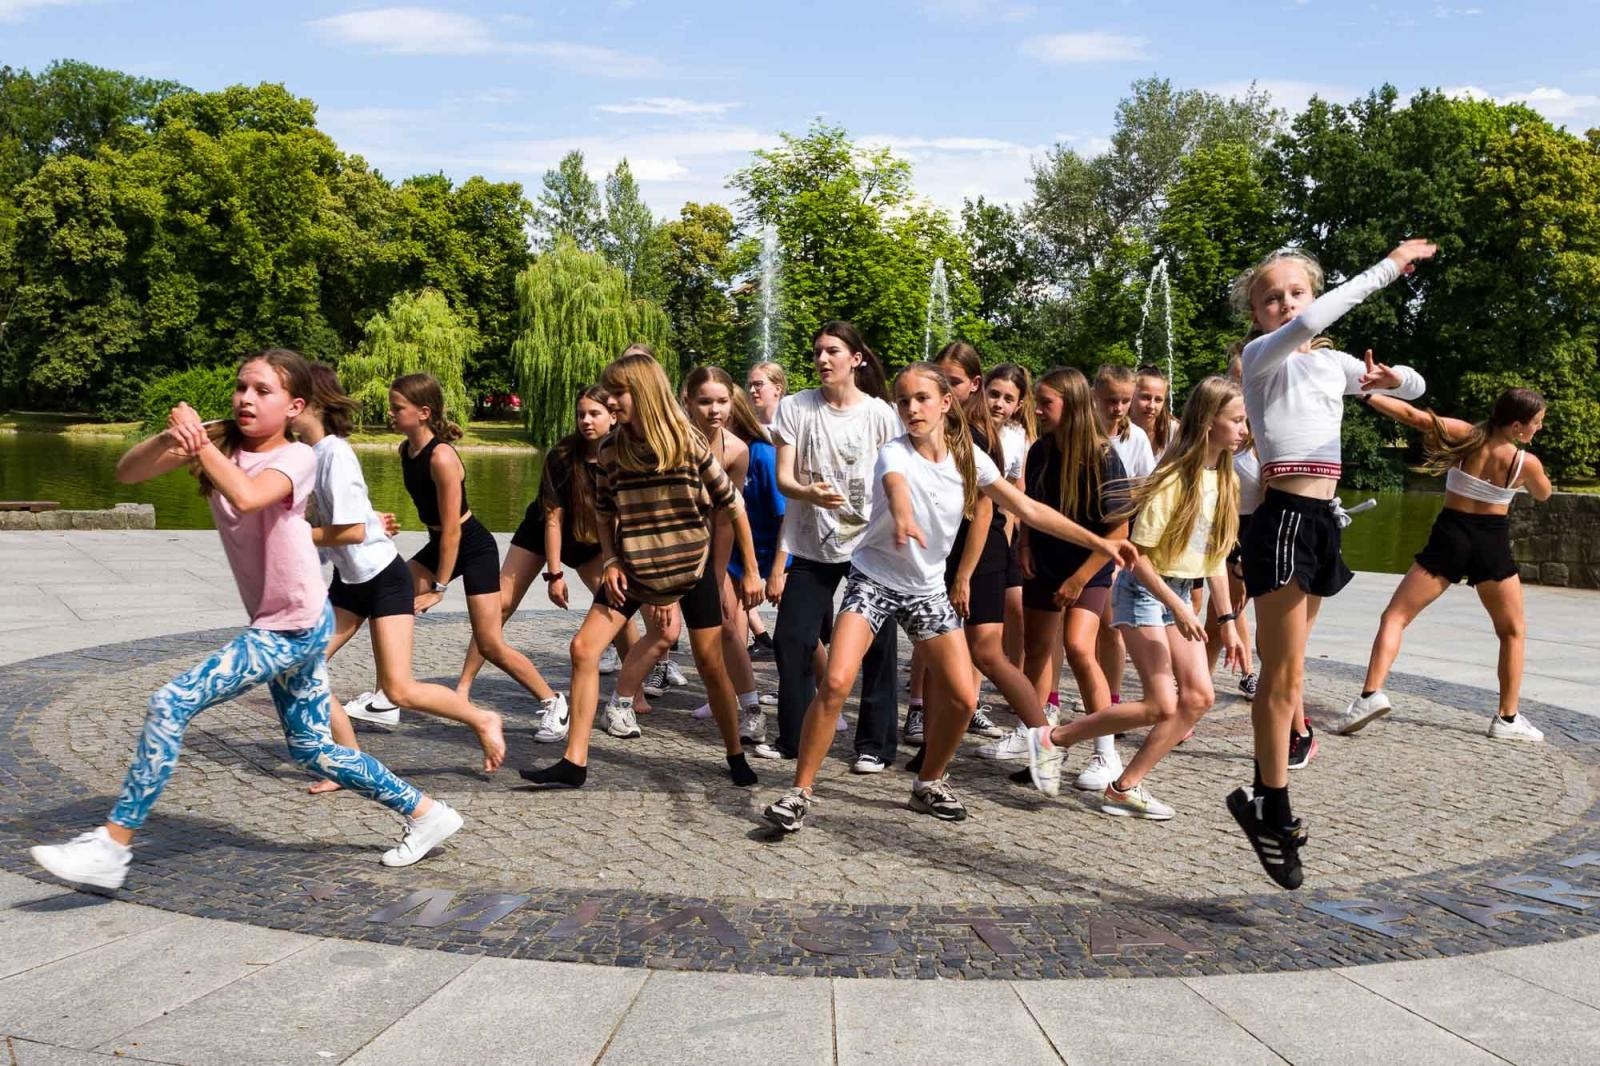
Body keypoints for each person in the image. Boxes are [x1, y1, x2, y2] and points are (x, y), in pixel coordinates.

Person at [30, 350, 462, 890]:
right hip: (286, 618)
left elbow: (250, 495)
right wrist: (177, 437)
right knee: (311, 748)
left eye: (262, 390)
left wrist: (202, 443)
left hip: (292, 623)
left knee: (171, 701)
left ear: (294, 407)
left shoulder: (299, 457)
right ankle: (426, 812)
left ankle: (114, 845)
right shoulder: (225, 445)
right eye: (241, 388)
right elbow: (128, 472)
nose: (246, 398)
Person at [762, 363, 1137, 831]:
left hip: (925, 591)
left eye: (922, 398)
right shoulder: (893, 453)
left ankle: (929, 782)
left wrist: (1099, 542)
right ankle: (799, 792)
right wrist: (900, 517)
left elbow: (1028, 508)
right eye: (903, 401)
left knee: (962, 700)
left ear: (945, 403)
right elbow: (896, 487)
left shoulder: (971, 461)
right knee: (837, 682)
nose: (912, 408)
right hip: (873, 581)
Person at [1229, 239, 1435, 890]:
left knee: (1293, 673)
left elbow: (1417, 383)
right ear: (1258, 315)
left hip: (1321, 521)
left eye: (1296, 291)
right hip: (1284, 519)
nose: (1286, 303)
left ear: (1310, 291)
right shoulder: (1261, 359)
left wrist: (1388, 380)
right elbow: (1311, 326)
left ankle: (1270, 799)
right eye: (1272, 298)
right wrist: (1389, 267)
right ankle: (1271, 803)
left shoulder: (1330, 367)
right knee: (1281, 677)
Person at [518, 349, 765, 789]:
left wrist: (750, 570)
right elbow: (604, 510)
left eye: (618, 393)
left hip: (690, 570)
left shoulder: (685, 442)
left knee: (711, 665)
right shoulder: (612, 449)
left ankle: (734, 753)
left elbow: (734, 505)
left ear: (644, 392)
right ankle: (574, 762)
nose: (610, 400)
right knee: (583, 649)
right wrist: (611, 559)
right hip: (633, 569)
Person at [1026, 376, 1250, 818]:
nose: (1245, 430)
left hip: (1178, 594)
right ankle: (1052, 739)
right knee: (1159, 703)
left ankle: (1125, 787)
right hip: (1145, 592)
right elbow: (1135, 558)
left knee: (1199, 698)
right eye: (1237, 420)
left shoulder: (1225, 481)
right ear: (1209, 424)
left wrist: (1226, 624)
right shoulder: (1172, 481)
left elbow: (1216, 560)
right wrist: (1179, 606)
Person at [293, 363, 504, 792]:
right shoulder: (312, 454)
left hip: (383, 579)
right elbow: (342, 516)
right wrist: (370, 521)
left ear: (310, 404)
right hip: (350, 580)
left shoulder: (335, 452)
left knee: (399, 689)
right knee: (304, 665)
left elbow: (346, 527)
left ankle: (482, 716)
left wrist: (295, 534)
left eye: (287, 397)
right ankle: (348, 764)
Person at [1336, 386, 1551, 738]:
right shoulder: (1524, 462)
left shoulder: (1466, 437)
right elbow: (1544, 494)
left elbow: (1412, 416)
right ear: (1516, 426)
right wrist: (1527, 478)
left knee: (1395, 616)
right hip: (1490, 542)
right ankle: (1507, 720)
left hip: (1450, 535)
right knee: (1512, 631)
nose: (1538, 429)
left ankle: (1370, 695)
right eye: (1536, 423)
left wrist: (1367, 394)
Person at [454, 386, 638, 741]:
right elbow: (553, 519)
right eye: (581, 413)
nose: (585, 420)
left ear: (613, 416)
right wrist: (554, 573)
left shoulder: (625, 455)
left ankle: (630, 696)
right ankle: (462, 688)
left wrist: (617, 559)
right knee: (498, 606)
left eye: (594, 414)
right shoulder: (562, 455)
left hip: (592, 540)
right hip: (542, 530)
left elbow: (621, 517)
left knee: (618, 603)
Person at [389, 374, 569, 731]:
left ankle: (553, 701)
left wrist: (438, 589)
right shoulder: (405, 451)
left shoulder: (441, 457)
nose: (391, 414)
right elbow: (440, 531)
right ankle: (386, 695)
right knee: (390, 597)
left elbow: (453, 528)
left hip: (473, 547)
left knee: (489, 643)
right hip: (441, 542)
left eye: (398, 408)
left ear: (423, 412)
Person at [770, 322, 904, 773]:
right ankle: (794, 737)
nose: (823, 360)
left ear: (856, 358)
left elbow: (896, 478)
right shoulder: (795, 407)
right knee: (793, 638)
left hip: (869, 547)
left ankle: (876, 745)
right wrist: (810, 494)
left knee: (879, 643)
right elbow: (784, 478)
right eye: (817, 353)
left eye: (833, 351)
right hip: (810, 544)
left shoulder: (882, 414)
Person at [1017, 368, 1131, 790]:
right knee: (1036, 651)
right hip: (1044, 561)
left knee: (1080, 647)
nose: (1037, 410)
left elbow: (1118, 533)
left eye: (1046, 403)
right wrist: (1025, 546)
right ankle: (1040, 743)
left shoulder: (1103, 457)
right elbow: (1029, 506)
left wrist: (1080, 579)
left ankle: (1106, 754)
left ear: (1072, 405)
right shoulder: (1041, 449)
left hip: (1091, 564)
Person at [682, 365, 770, 748]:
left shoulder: (736, 449)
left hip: (710, 545)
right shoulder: (673, 441)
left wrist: (719, 576)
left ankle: (751, 709)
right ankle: (622, 699)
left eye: (722, 401)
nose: (715, 410)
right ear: (688, 402)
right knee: (662, 628)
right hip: (664, 545)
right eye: (705, 402)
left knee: (728, 623)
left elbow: (726, 517)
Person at [1092, 364, 1159, 729]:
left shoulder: (1136, 441)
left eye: (1123, 401)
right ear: (1095, 398)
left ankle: (1112, 701)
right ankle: (1054, 699)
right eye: (1110, 401)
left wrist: (1127, 545)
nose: (1117, 408)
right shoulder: (1083, 433)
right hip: (1085, 535)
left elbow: (1143, 493)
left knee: (1110, 626)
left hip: (1118, 539)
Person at [985, 363, 1035, 670]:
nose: (999, 404)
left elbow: (1018, 487)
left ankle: (1014, 675)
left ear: (1018, 404)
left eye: (1007, 398)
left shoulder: (1018, 436)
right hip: (961, 527)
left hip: (1001, 528)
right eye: (994, 394)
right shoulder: (968, 429)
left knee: (1015, 606)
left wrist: (1007, 536)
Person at [744, 361, 790, 658]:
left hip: (787, 544)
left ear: (778, 388)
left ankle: (816, 691)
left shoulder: (786, 429)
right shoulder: (749, 433)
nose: (752, 389)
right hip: (754, 540)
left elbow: (785, 509)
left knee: (799, 631)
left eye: (758, 383)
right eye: (749, 384)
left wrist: (779, 568)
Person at [1132, 365, 1180, 463]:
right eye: (1146, 397)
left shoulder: (1174, 432)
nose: (1151, 406)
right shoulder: (1117, 430)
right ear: (1131, 395)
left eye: (1158, 400)